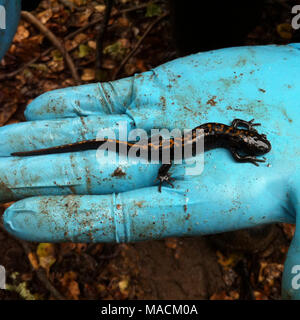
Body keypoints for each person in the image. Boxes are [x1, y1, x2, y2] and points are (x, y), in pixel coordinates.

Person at [0, 1, 300, 299]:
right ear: (246, 137)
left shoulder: (234, 133)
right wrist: (246, 157)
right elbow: (236, 152)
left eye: (254, 147)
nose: (253, 147)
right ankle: (162, 177)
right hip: (169, 151)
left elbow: (234, 129)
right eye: (254, 144)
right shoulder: (236, 142)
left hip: (180, 143)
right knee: (161, 158)